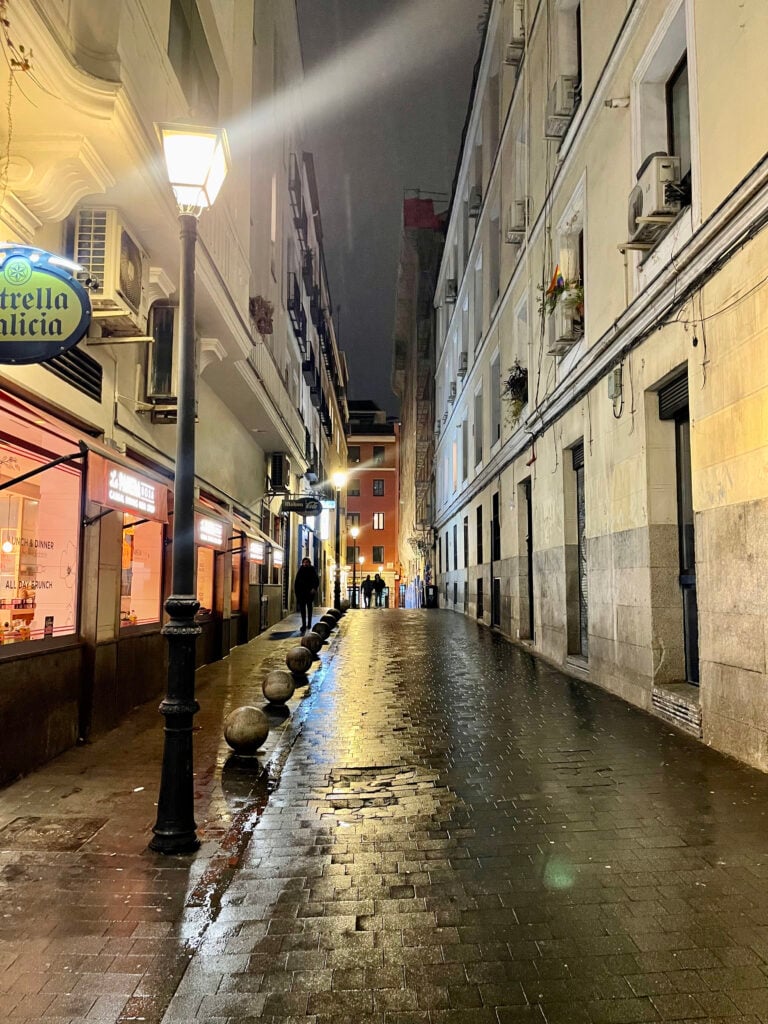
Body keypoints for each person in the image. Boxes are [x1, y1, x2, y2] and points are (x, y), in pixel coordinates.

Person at [294, 557, 320, 632]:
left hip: (309, 593)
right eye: (304, 562)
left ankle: (309, 623)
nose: (305, 563)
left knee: (309, 609)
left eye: (307, 562)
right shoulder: (301, 570)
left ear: (309, 563)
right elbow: (297, 582)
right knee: (302, 610)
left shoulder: (312, 570)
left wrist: (314, 588)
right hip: (301, 594)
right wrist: (297, 593)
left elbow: (316, 580)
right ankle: (303, 624)